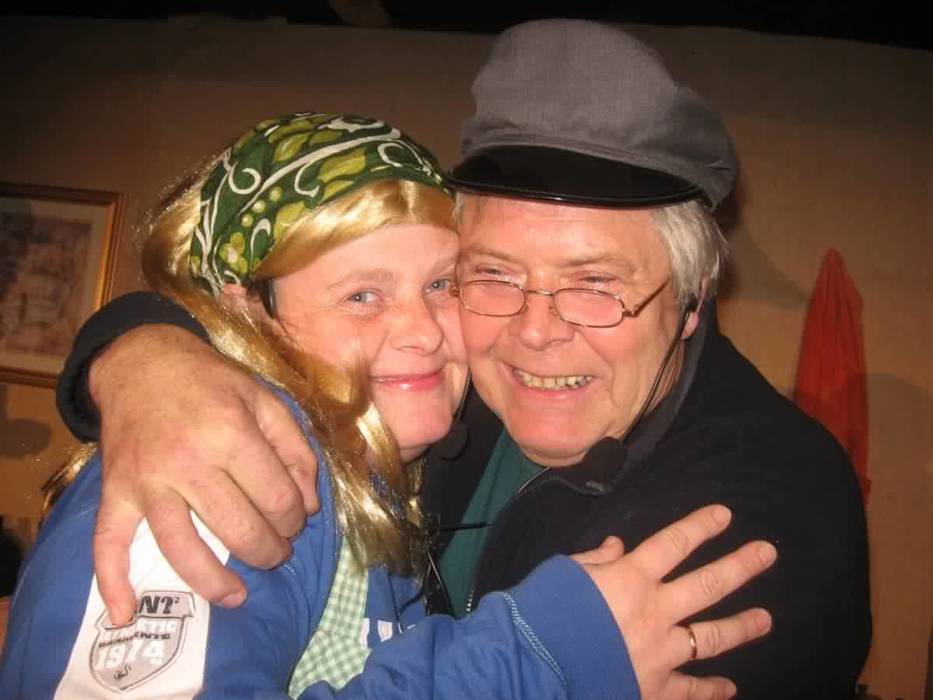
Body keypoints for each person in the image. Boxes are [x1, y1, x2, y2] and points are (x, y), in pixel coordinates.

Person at [56, 19, 869, 699]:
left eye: (594, 285)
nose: (534, 332)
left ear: (691, 301)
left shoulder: (757, 512)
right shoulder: (407, 396)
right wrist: (143, 354)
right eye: (491, 275)